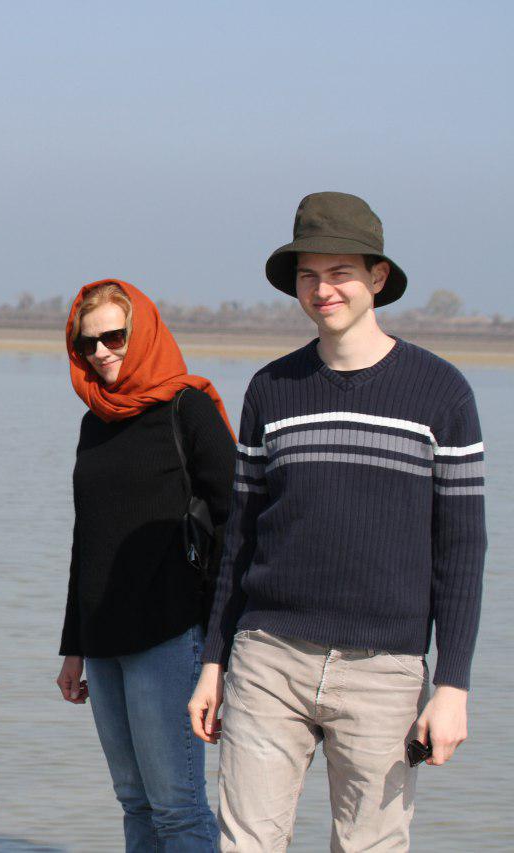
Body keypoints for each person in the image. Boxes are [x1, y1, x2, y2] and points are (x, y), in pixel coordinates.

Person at [188, 192, 487, 851]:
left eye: (340, 272)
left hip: (385, 671)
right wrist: (214, 662)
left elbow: (462, 550)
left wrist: (453, 684)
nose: (323, 289)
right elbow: (240, 536)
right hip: (268, 658)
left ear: (377, 278)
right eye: (308, 275)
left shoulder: (443, 393)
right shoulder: (271, 389)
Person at [56, 279, 236, 852]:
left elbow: (237, 526)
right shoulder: (95, 421)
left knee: (177, 806)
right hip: (104, 641)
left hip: (170, 634)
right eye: (89, 344)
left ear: (143, 334)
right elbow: (88, 538)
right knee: (134, 802)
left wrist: (220, 653)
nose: (102, 352)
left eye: (115, 337)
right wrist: (73, 648)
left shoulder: (189, 407)